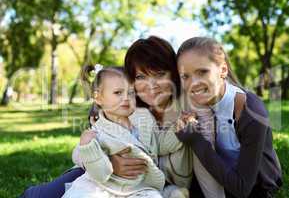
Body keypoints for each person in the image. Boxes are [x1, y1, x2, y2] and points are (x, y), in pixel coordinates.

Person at [20, 36, 220, 198]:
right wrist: (110, 162)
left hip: (146, 189)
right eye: (140, 77)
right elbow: (83, 149)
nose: (151, 85)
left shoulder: (190, 110)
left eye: (159, 74)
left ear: (173, 74)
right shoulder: (125, 107)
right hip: (97, 176)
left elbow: (205, 166)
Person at [174, 37, 282, 198]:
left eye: (202, 72)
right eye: (185, 76)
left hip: (255, 186)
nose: (193, 83)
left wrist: (195, 140)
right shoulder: (195, 102)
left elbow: (242, 189)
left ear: (223, 70)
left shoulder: (251, 111)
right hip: (218, 174)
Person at [62, 66, 190, 198]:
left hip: (139, 187)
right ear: (98, 98)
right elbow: (99, 174)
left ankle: (168, 193)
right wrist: (87, 147)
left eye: (131, 93)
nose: (126, 98)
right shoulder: (97, 133)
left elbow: (160, 145)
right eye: (118, 93)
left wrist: (178, 130)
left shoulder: (143, 122)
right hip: (103, 187)